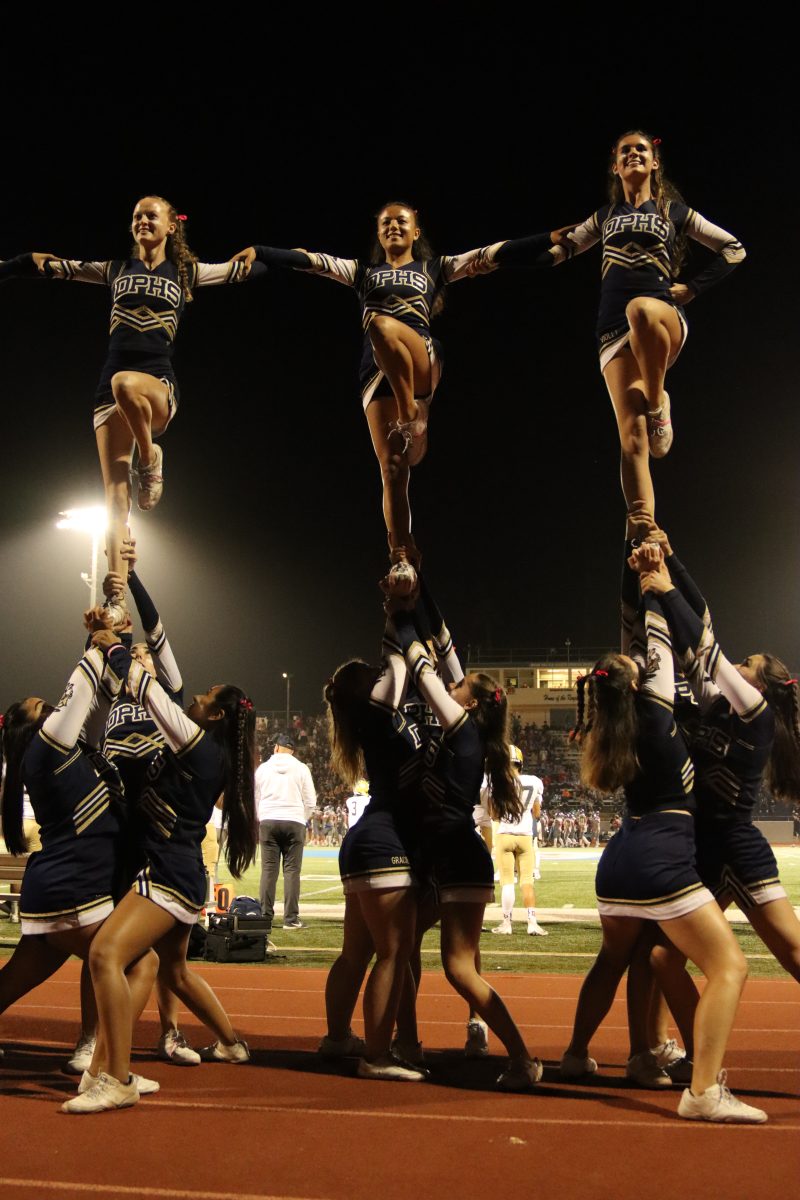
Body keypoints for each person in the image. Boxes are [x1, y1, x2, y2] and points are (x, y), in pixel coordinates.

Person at [233, 207, 555, 591]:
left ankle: (411, 410)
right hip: (375, 373)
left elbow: (494, 252)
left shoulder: (435, 268)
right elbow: (310, 260)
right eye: (385, 221)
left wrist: (555, 239)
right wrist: (260, 250)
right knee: (392, 470)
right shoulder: (362, 273)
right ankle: (401, 553)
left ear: (416, 230)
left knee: (380, 322)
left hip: (421, 359)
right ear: (378, 233)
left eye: (401, 220)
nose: (393, 225)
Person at [559, 545, 766, 1123]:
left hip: (621, 855)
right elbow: (657, 634)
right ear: (637, 683)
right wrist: (654, 574)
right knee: (730, 966)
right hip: (661, 856)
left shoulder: (620, 720)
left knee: (612, 961)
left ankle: (576, 1054)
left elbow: (636, 644)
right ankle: (703, 1092)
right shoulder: (652, 710)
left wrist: (631, 578)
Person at [0, 197, 257, 619]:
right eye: (136, 215)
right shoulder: (115, 269)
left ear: (172, 226)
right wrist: (15, 264)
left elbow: (244, 270)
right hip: (109, 392)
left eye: (150, 215)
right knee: (115, 502)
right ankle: (117, 599)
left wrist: (262, 253)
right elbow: (50, 265)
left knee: (127, 384)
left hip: (155, 385)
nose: (141, 220)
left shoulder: (187, 272)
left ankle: (150, 454)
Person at [61, 628, 257, 1114]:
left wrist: (113, 645)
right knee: (171, 970)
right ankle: (231, 1044)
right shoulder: (201, 749)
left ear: (215, 717)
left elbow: (150, 691)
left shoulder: (198, 746)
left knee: (106, 955)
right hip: (179, 870)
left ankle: (117, 1077)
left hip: (169, 874)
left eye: (207, 697)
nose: (194, 696)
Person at [547, 130, 745, 519]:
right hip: (611, 331)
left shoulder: (674, 212)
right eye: (626, 151)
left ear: (655, 163)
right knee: (632, 438)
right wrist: (498, 257)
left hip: (660, 317)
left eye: (641, 149)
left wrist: (693, 286)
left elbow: (734, 248)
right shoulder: (603, 218)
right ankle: (643, 524)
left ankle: (658, 402)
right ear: (616, 166)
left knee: (640, 308)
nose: (634, 153)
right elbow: (560, 249)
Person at [390, 589, 544, 1090]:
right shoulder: (472, 727)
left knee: (456, 967)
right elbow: (446, 649)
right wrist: (422, 593)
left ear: (470, 703)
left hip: (453, 855)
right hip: (453, 854)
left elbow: (422, 668)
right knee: (406, 945)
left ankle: (521, 1055)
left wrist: (399, 615)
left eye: (460, 689)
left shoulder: (459, 726)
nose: (452, 688)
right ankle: (407, 1042)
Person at [0, 622, 159, 1100]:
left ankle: (100, 1059)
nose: (47, 705)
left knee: (12, 982)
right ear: (34, 727)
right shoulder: (45, 752)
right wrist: (98, 641)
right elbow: (80, 692)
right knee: (138, 962)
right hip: (70, 887)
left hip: (59, 886)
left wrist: (110, 624)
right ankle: (109, 1071)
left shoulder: (61, 751)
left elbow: (97, 693)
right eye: (38, 707)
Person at [640, 531, 800, 989]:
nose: (738, 662)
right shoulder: (717, 706)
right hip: (703, 848)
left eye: (747, 662)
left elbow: (707, 652)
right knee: (663, 960)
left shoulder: (757, 714)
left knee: (791, 951)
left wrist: (663, 586)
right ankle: (684, 1049)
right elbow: (704, 625)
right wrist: (670, 559)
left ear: (761, 685)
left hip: (735, 843)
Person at [320, 606, 428, 1082]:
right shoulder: (380, 711)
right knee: (394, 953)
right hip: (385, 840)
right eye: (372, 674)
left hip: (365, 839)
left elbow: (392, 663)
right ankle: (380, 1054)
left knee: (355, 953)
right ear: (368, 689)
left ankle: (338, 1037)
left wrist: (395, 610)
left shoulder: (370, 716)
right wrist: (398, 610)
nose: (379, 671)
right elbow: (400, 661)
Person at [255, 734, 317, 933]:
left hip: (268, 820)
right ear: (292, 751)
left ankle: (265, 916)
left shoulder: (263, 769)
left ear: (276, 748)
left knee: (268, 871)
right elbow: (310, 801)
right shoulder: (301, 768)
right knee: (292, 872)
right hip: (294, 820)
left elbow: (255, 797)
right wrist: (302, 817)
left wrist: (262, 817)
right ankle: (290, 919)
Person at [489, 746, 547, 936]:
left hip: (505, 834)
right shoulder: (535, 781)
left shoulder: (498, 782)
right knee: (527, 882)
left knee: (507, 882)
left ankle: (507, 924)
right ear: (521, 762)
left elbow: (494, 814)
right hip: (524, 837)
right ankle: (532, 922)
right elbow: (536, 813)